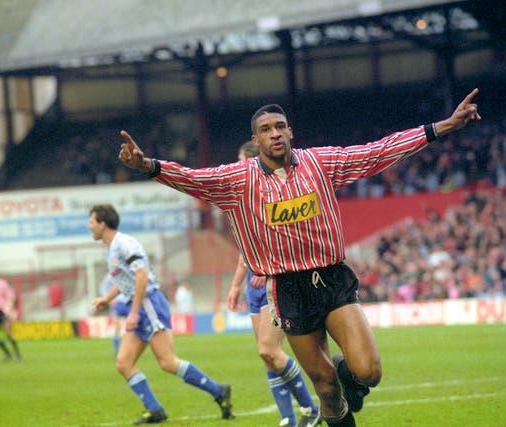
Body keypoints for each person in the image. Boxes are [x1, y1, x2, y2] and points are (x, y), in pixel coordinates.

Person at [117, 89, 481, 427]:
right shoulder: (236, 181)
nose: (274, 134)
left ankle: (348, 375)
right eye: (265, 129)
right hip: (287, 289)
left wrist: (442, 127)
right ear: (256, 140)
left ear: (290, 131)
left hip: (332, 279)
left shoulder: (319, 163)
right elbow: (191, 177)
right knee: (325, 388)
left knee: (368, 372)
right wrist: (147, 165)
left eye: (280, 126)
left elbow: (376, 152)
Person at [89, 204, 234, 424]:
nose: (89, 226)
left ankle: (218, 391)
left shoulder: (124, 244)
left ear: (102, 224)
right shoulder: (112, 249)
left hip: (149, 304)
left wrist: (135, 312)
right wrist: (106, 299)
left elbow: (142, 277)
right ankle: (155, 409)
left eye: (91, 222)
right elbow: (126, 280)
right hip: (138, 305)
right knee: (123, 363)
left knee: (167, 362)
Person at [226, 141, 320, 427]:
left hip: (275, 283)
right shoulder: (247, 200)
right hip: (254, 288)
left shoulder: (272, 196)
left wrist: (267, 270)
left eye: (242, 161)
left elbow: (286, 238)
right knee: (267, 357)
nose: (239, 167)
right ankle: (287, 419)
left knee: (269, 349)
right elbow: (246, 251)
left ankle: (310, 408)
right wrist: (235, 286)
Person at [99, 273, 129, 355]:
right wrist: (109, 300)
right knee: (117, 326)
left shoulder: (127, 273)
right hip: (117, 303)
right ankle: (117, 349)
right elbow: (102, 288)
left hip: (129, 302)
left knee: (133, 325)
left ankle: (131, 347)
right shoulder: (110, 276)